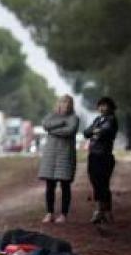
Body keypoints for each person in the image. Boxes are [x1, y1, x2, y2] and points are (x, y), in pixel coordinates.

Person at [38, 95, 79, 223]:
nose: (63, 105)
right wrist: (61, 123)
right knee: (50, 186)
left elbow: (70, 130)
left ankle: (63, 215)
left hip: (65, 155)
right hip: (51, 156)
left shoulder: (74, 118)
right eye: (61, 102)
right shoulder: (52, 115)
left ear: (70, 105)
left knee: (65, 185)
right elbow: (45, 124)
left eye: (66, 103)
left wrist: (52, 130)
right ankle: (49, 213)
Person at [84, 96, 119, 224]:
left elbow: (105, 131)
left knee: (102, 183)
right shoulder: (98, 119)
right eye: (100, 105)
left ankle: (102, 211)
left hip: (104, 156)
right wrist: (95, 131)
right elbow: (85, 133)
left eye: (105, 105)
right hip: (93, 155)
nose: (102, 108)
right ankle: (104, 210)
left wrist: (95, 131)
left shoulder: (112, 119)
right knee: (95, 182)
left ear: (110, 107)